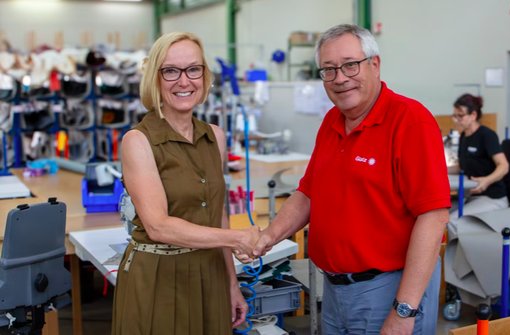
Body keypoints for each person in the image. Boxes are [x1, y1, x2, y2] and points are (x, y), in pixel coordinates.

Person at [237, 24, 451, 334]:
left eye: (350, 65)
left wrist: (404, 311)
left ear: (374, 65)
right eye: (329, 69)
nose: (340, 78)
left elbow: (433, 218)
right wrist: (268, 238)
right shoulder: (332, 120)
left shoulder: (410, 120)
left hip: (387, 290)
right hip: (335, 292)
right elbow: (307, 194)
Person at [111, 32, 260, 335]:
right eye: (171, 71)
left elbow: (219, 216)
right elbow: (159, 226)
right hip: (159, 278)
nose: (184, 81)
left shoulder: (215, 136)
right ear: (155, 77)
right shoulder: (138, 141)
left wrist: (232, 284)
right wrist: (237, 239)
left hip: (210, 274)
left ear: (205, 76)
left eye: (194, 69)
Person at [447, 93, 509, 221]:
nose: (456, 119)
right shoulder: (464, 136)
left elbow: (504, 166)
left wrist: (487, 180)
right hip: (471, 196)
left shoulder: (487, 135)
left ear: (473, 115)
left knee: (452, 221)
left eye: (460, 116)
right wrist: (439, 170)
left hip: (492, 198)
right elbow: (462, 166)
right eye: (455, 116)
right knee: (438, 215)